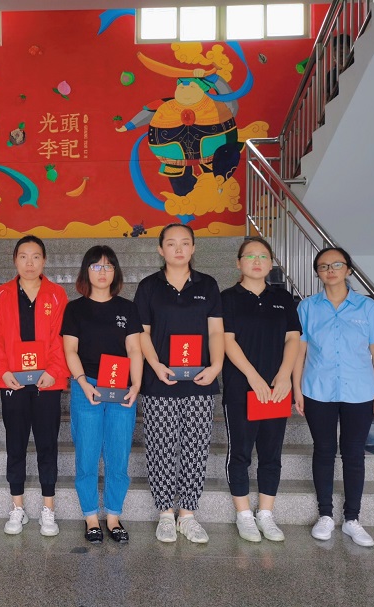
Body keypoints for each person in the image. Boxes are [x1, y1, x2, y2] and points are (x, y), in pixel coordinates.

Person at [293, 247, 374, 548]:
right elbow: (299, 351)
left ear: (348, 270)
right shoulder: (307, 307)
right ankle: (325, 515)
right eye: (323, 266)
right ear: (318, 273)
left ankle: (352, 519)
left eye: (336, 265)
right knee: (323, 450)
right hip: (317, 389)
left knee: (353, 453)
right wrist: (297, 389)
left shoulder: (367, 307)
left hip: (359, 391)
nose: (330, 270)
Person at [134, 223, 224, 544]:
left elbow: (216, 331)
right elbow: (142, 333)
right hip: (161, 380)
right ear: (161, 250)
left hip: (200, 380)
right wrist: (155, 365)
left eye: (185, 243)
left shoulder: (208, 285)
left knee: (196, 447)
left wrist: (216, 366)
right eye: (171, 243)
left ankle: (187, 515)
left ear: (193, 248)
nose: (178, 249)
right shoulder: (149, 287)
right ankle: (164, 514)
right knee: (160, 447)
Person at [221, 237, 301, 542]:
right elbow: (227, 340)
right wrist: (253, 377)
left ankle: (266, 513)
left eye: (263, 256)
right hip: (242, 387)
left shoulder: (283, 298)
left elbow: (293, 338)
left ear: (271, 264)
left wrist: (285, 376)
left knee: (271, 452)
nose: (257, 261)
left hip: (277, 388)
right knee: (240, 452)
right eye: (250, 256)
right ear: (238, 263)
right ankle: (244, 514)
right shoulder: (227, 298)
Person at [61, 246, 143, 544]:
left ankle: (113, 516)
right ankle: (91, 517)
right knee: (87, 453)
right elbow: (70, 350)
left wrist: (136, 385)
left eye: (108, 266)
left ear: (116, 272)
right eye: (96, 266)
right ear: (86, 271)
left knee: (118, 454)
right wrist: (83, 382)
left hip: (122, 388)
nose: (102, 271)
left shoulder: (127, 308)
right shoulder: (75, 309)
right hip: (88, 387)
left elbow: (134, 349)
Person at [0, 236, 68, 537]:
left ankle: (48, 508)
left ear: (44, 261)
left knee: (47, 444)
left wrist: (54, 371)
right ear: (15, 260)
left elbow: (62, 337)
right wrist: (1, 370)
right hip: (13, 382)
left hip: (48, 382)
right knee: (16, 443)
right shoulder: (1, 294)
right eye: (23, 256)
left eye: (36, 257)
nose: (30, 263)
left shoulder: (57, 294)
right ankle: (17, 507)